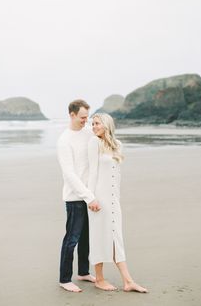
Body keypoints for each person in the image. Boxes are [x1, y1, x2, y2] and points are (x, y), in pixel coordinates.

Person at [87, 113, 148, 293]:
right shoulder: (94, 143)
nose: (94, 127)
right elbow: (92, 172)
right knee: (99, 237)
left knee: (116, 239)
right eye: (92, 124)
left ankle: (128, 281)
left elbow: (116, 176)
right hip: (98, 200)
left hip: (113, 200)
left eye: (97, 123)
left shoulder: (117, 145)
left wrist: (115, 199)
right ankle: (99, 278)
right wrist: (91, 198)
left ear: (107, 124)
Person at [57, 99, 101, 293]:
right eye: (82, 117)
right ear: (72, 114)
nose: (86, 121)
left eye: (87, 117)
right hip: (75, 197)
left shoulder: (88, 133)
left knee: (86, 238)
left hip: (89, 194)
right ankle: (65, 279)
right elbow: (70, 174)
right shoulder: (64, 140)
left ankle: (83, 272)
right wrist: (88, 196)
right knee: (72, 238)